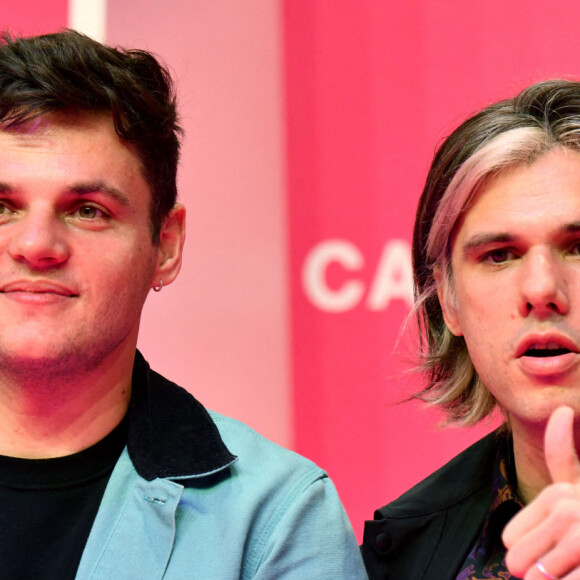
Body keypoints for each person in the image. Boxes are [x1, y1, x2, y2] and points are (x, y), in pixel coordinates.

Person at [0, 29, 366, 579]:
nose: (35, 246)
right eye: (2, 207)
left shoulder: (276, 517)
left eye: (88, 211)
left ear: (165, 246)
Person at [362, 79, 580, 580]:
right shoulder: (397, 556)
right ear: (448, 300)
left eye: (578, 246)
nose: (542, 288)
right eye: (499, 256)